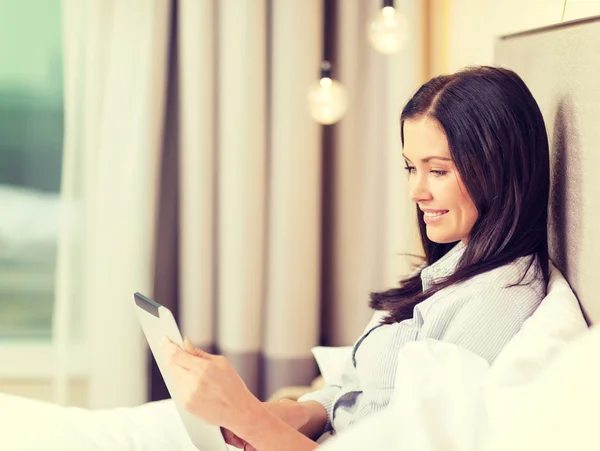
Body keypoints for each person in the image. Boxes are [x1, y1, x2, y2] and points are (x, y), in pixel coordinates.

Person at [163, 65, 550, 451]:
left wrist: (249, 418)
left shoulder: (496, 302)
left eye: (437, 170)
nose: (416, 190)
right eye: (410, 167)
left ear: (500, 169)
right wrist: (291, 414)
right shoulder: (456, 264)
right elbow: (359, 391)